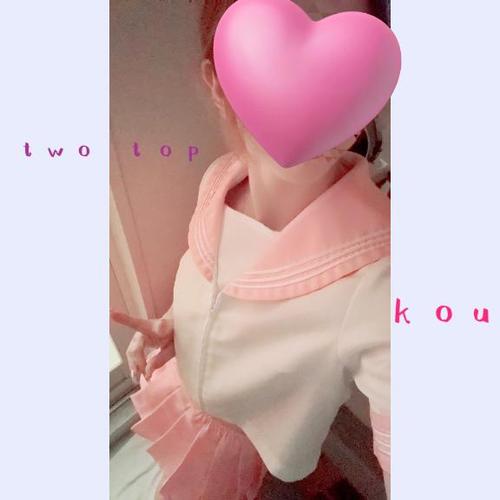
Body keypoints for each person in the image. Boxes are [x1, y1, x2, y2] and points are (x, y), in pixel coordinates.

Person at [111, 1, 391, 498]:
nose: (314, 105)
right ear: (218, 85)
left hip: (238, 447)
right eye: (281, 75)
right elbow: (221, 282)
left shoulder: (378, 276)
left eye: (341, 78)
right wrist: (178, 325)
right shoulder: (220, 180)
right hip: (178, 391)